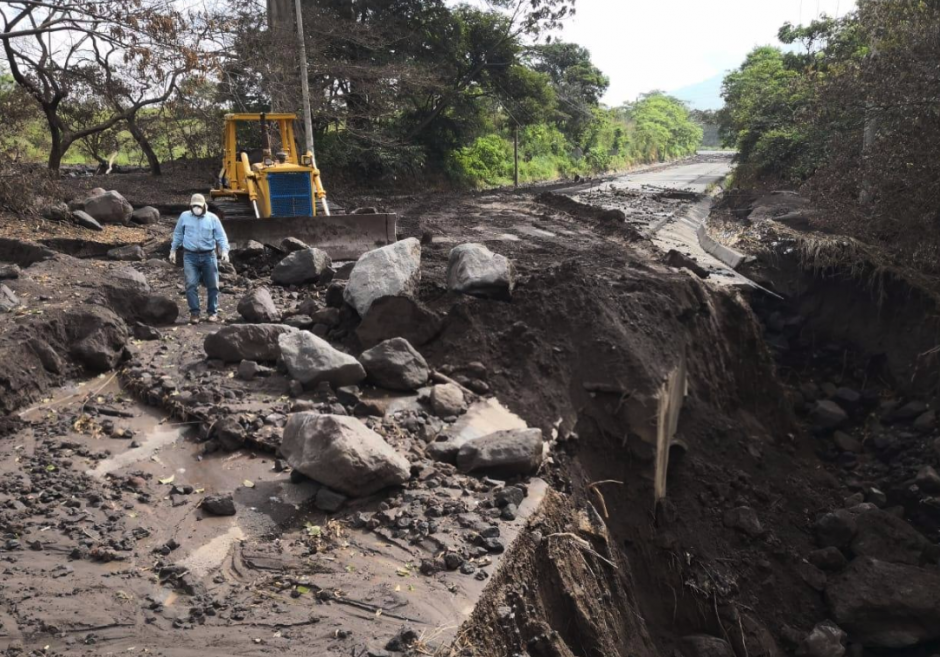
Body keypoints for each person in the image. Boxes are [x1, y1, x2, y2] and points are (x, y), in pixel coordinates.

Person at [169, 194, 230, 324]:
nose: (196, 208)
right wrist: (173, 250)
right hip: (190, 255)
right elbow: (178, 233)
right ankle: (194, 313)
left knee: (213, 285)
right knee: (191, 284)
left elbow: (221, 236)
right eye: (194, 206)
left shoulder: (212, 218)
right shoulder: (184, 217)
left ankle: (212, 312)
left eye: (199, 206)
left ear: (204, 206)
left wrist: (224, 250)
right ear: (190, 206)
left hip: (208, 255)